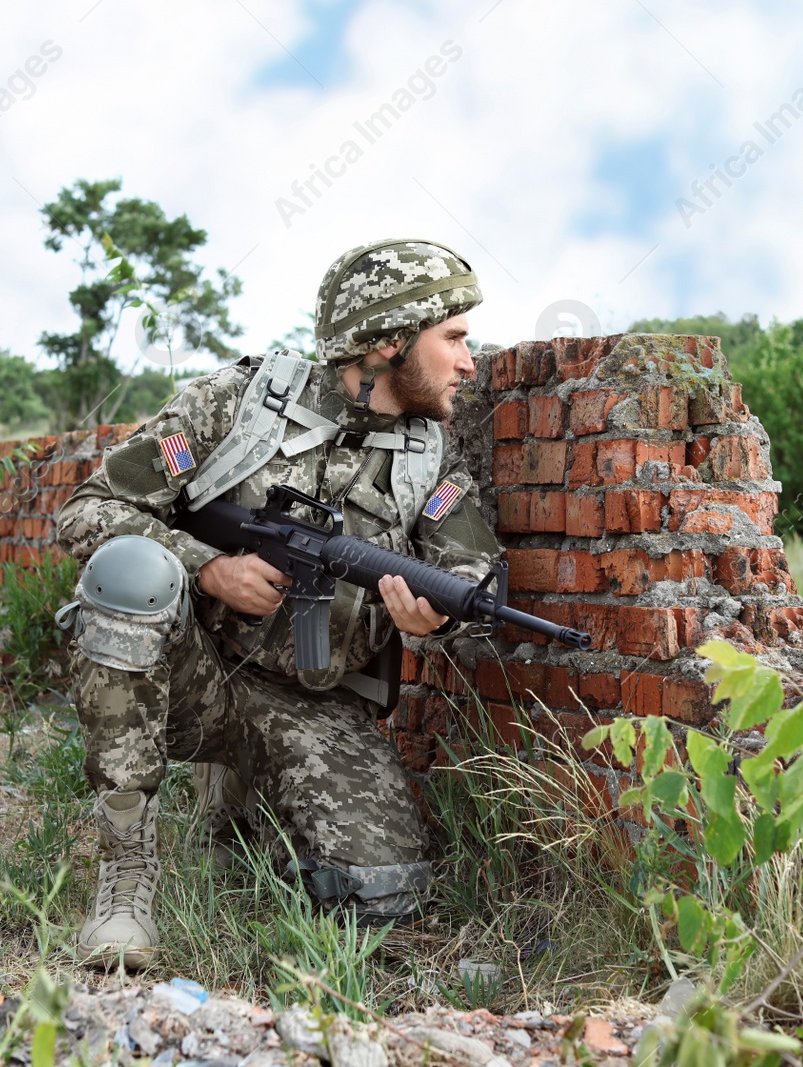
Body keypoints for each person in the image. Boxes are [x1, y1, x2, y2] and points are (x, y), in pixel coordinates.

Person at [53, 238, 501, 968]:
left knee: (379, 894)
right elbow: (88, 509)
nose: (469, 359)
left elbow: (471, 567)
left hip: (313, 704)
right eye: (453, 337)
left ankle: (240, 804)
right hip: (191, 673)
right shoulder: (239, 404)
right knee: (130, 570)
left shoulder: (430, 456)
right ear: (390, 342)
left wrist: (439, 620)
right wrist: (207, 569)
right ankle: (127, 872)